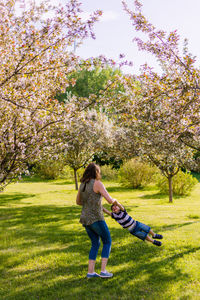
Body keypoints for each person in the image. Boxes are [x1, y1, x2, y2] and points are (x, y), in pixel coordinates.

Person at [76, 163, 124, 279]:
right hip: (96, 218)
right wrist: (116, 200)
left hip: (85, 219)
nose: (100, 174)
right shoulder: (97, 183)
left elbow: (78, 202)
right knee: (107, 241)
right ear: (96, 172)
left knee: (95, 243)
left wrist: (90, 204)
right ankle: (103, 271)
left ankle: (91, 272)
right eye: (99, 172)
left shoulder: (83, 184)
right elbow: (109, 200)